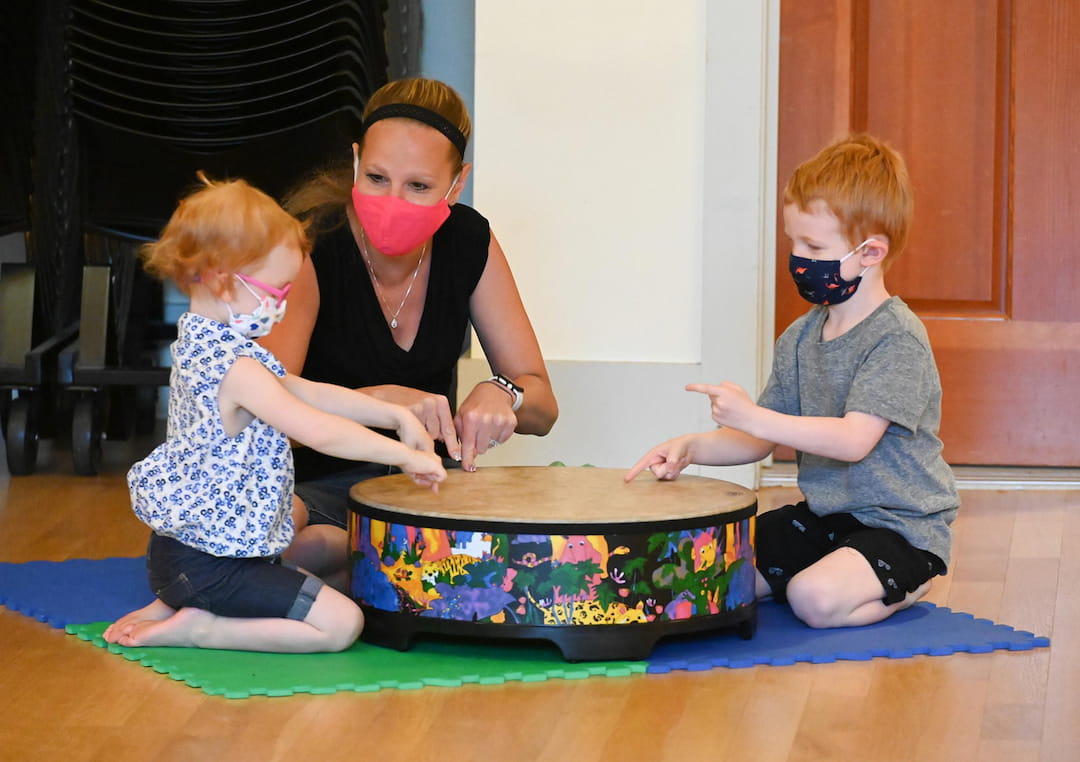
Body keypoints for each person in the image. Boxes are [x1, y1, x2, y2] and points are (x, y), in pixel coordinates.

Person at [626, 134, 959, 629]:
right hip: (824, 520)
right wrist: (693, 447)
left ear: (871, 252)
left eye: (814, 246)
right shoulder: (800, 337)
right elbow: (759, 438)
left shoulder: (897, 338)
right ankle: (834, 570)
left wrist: (754, 415)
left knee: (812, 600)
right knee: (709, 571)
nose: (798, 258)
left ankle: (912, 583)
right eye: (794, 243)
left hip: (900, 528)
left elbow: (853, 440)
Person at [102, 174, 446, 653]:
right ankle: (201, 628)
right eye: (276, 292)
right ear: (224, 279)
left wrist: (397, 417)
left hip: (196, 553)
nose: (281, 308)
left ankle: (175, 598)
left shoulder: (211, 344)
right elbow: (317, 429)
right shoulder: (236, 368)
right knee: (342, 623)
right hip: (213, 565)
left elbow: (310, 392)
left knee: (334, 558)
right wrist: (405, 456)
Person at [263, 78, 558, 580]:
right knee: (292, 533)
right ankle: (362, 564)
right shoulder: (307, 244)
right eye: (376, 177)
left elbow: (543, 408)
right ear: (356, 160)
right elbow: (263, 421)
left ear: (456, 185)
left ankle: (357, 565)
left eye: (418, 186)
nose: (392, 199)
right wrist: (375, 403)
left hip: (427, 487)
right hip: (314, 486)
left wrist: (504, 392)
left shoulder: (469, 240)